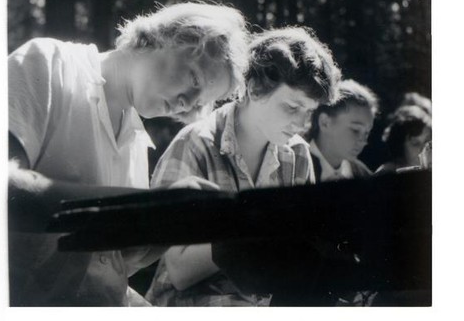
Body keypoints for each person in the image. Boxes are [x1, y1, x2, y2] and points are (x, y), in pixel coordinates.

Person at [8, 1, 250, 306]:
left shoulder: (137, 141)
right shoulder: (49, 62)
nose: (187, 103)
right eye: (195, 79)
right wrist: (147, 206)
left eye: (200, 102)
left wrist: (167, 228)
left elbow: (116, 263)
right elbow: (0, 190)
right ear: (166, 37)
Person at [145, 26, 341, 306]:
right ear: (254, 88)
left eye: (309, 112)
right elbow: (178, 271)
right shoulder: (195, 143)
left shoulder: (297, 154)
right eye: (291, 107)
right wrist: (259, 222)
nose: (301, 124)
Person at [305, 79, 379, 181]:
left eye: (367, 132)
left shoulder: (361, 172)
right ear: (325, 122)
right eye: (355, 130)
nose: (363, 141)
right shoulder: (297, 166)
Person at [375, 104, 432, 174]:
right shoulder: (387, 172)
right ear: (400, 146)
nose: (424, 149)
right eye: (415, 143)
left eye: (428, 142)